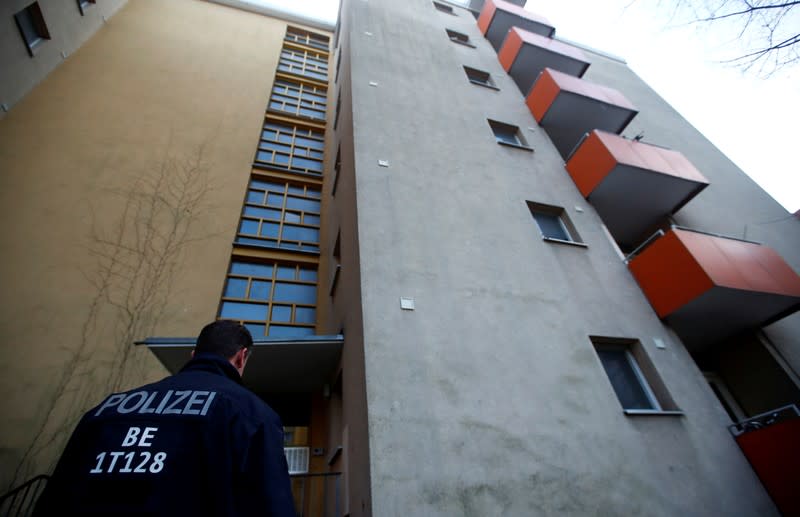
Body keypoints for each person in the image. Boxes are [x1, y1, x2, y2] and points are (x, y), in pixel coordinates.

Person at [34, 320, 296, 516]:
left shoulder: (106, 410)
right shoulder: (252, 414)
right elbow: (272, 506)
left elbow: (52, 499)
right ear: (241, 357)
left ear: (193, 355)